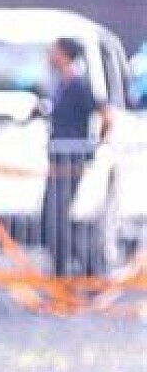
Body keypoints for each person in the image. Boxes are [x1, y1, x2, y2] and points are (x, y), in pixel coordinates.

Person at [42, 37, 112, 277]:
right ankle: (67, 267)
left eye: (53, 51)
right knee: (53, 216)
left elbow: (106, 115)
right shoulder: (60, 85)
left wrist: (94, 146)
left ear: (64, 55)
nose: (49, 56)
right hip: (59, 159)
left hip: (70, 159)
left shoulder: (78, 85)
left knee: (60, 216)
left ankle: (88, 268)